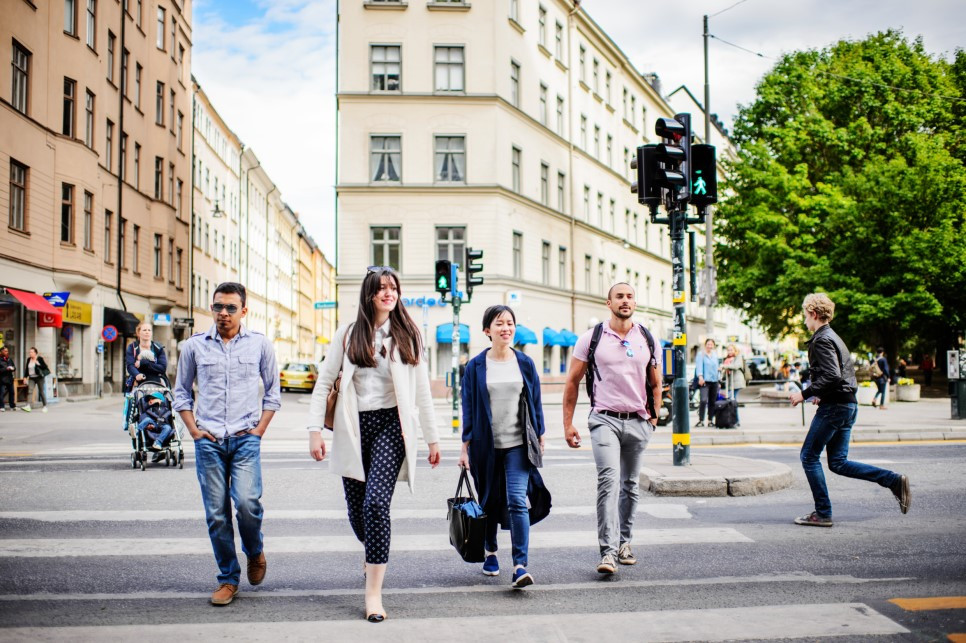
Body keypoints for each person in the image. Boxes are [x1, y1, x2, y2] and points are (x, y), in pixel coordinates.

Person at [306, 267, 441, 622]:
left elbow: (422, 392)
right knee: (358, 513)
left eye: (393, 287)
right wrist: (314, 431)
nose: (388, 293)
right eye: (381, 288)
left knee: (376, 504)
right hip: (353, 427)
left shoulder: (409, 335)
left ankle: (373, 594)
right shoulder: (348, 334)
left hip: (392, 426)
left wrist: (433, 438)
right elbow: (323, 384)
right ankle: (373, 555)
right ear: (369, 295)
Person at [173, 282, 280, 606]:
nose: (223, 313)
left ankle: (255, 551)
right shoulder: (194, 346)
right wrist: (193, 431)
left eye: (231, 307)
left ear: (243, 311)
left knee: (247, 504)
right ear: (212, 308)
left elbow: (273, 393)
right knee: (217, 515)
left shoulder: (260, 345)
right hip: (209, 441)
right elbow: (181, 393)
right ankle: (228, 579)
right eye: (218, 306)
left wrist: (259, 431)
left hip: (245, 438)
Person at [562, 283, 661, 575]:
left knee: (629, 484)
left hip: (638, 420)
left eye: (630, 296)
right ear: (609, 303)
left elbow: (656, 382)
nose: (625, 301)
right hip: (604, 419)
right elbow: (572, 381)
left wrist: (653, 420)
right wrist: (568, 424)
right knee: (609, 481)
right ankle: (607, 553)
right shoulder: (591, 338)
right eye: (619, 296)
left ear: (635, 303)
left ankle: (624, 543)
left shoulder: (647, 338)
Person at [790, 293, 910, 527]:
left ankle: (823, 513)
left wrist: (804, 394)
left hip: (835, 407)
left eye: (805, 315)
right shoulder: (834, 337)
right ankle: (893, 481)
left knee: (808, 456)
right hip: (847, 405)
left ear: (813, 314)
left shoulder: (821, 339)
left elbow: (832, 375)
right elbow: (839, 375)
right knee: (838, 462)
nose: (804, 320)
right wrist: (822, 394)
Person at [459, 305, 551, 590]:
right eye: (499, 323)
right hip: (485, 446)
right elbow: (468, 408)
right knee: (488, 500)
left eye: (510, 323)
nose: (506, 328)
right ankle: (490, 551)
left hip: (518, 445)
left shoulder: (524, 363)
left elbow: (535, 400)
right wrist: (464, 447)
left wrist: (540, 434)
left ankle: (520, 565)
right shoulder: (475, 366)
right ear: (487, 330)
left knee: (516, 500)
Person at [694, 339, 719, 427]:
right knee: (703, 400)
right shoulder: (701, 354)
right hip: (704, 381)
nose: (710, 346)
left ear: (713, 346)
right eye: (708, 344)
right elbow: (699, 366)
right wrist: (700, 377)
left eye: (711, 344)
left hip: (714, 381)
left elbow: (716, 367)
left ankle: (710, 420)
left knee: (712, 401)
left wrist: (718, 379)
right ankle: (701, 420)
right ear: (705, 345)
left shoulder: (715, 355)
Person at [721, 344, 746, 427]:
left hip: (737, 382)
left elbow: (735, 366)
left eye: (731, 350)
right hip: (730, 384)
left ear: (735, 350)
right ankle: (734, 420)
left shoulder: (738, 357)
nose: (730, 351)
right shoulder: (727, 359)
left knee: (732, 400)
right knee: (732, 401)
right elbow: (725, 373)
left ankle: (735, 420)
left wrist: (724, 366)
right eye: (728, 350)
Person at [21, 347, 50, 413]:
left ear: (35, 353)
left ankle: (45, 406)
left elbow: (45, 367)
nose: (30, 353)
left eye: (31, 352)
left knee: (41, 391)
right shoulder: (29, 359)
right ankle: (28, 406)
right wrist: (25, 377)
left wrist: (37, 363)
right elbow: (27, 369)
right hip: (31, 378)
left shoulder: (39, 358)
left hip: (39, 377)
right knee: (30, 391)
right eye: (30, 352)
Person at [0, 347, 16, 412]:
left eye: (7, 351)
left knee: (12, 392)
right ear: (1, 352)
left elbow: (14, 367)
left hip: (9, 379)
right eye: (5, 351)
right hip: (1, 379)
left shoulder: (9, 359)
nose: (7, 352)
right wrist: (6, 369)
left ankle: (12, 406)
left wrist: (13, 368)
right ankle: (1, 406)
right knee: (1, 393)